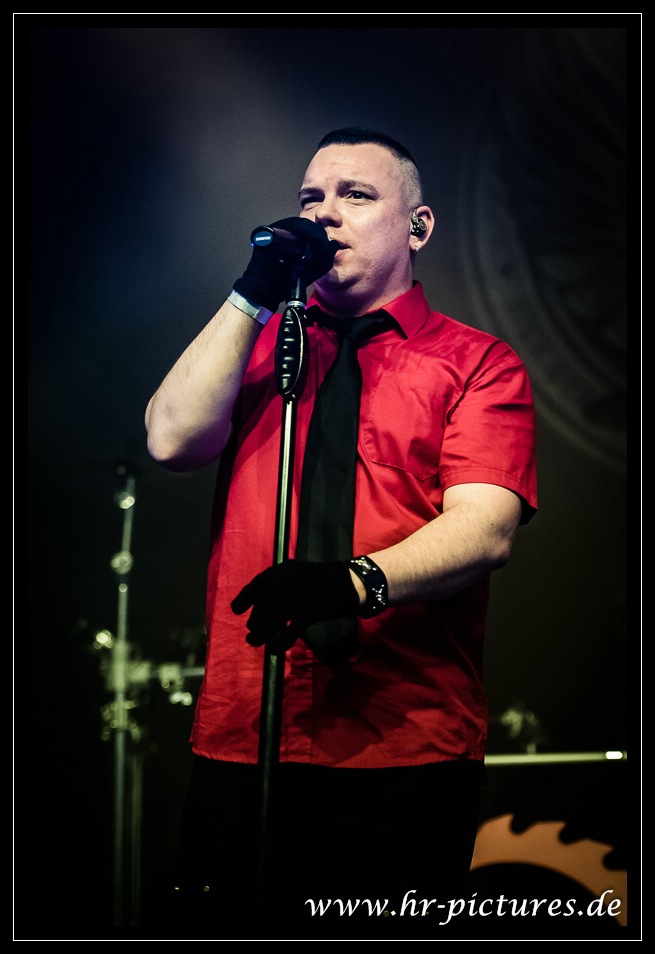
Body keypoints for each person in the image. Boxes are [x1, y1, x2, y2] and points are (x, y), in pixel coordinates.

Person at [144, 127, 538, 935]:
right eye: (310, 198)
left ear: (417, 227)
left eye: (355, 196)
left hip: (401, 744)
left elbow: (485, 527)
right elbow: (171, 440)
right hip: (245, 735)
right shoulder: (257, 347)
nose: (325, 214)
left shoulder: (475, 362)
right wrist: (252, 292)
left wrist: (352, 581)